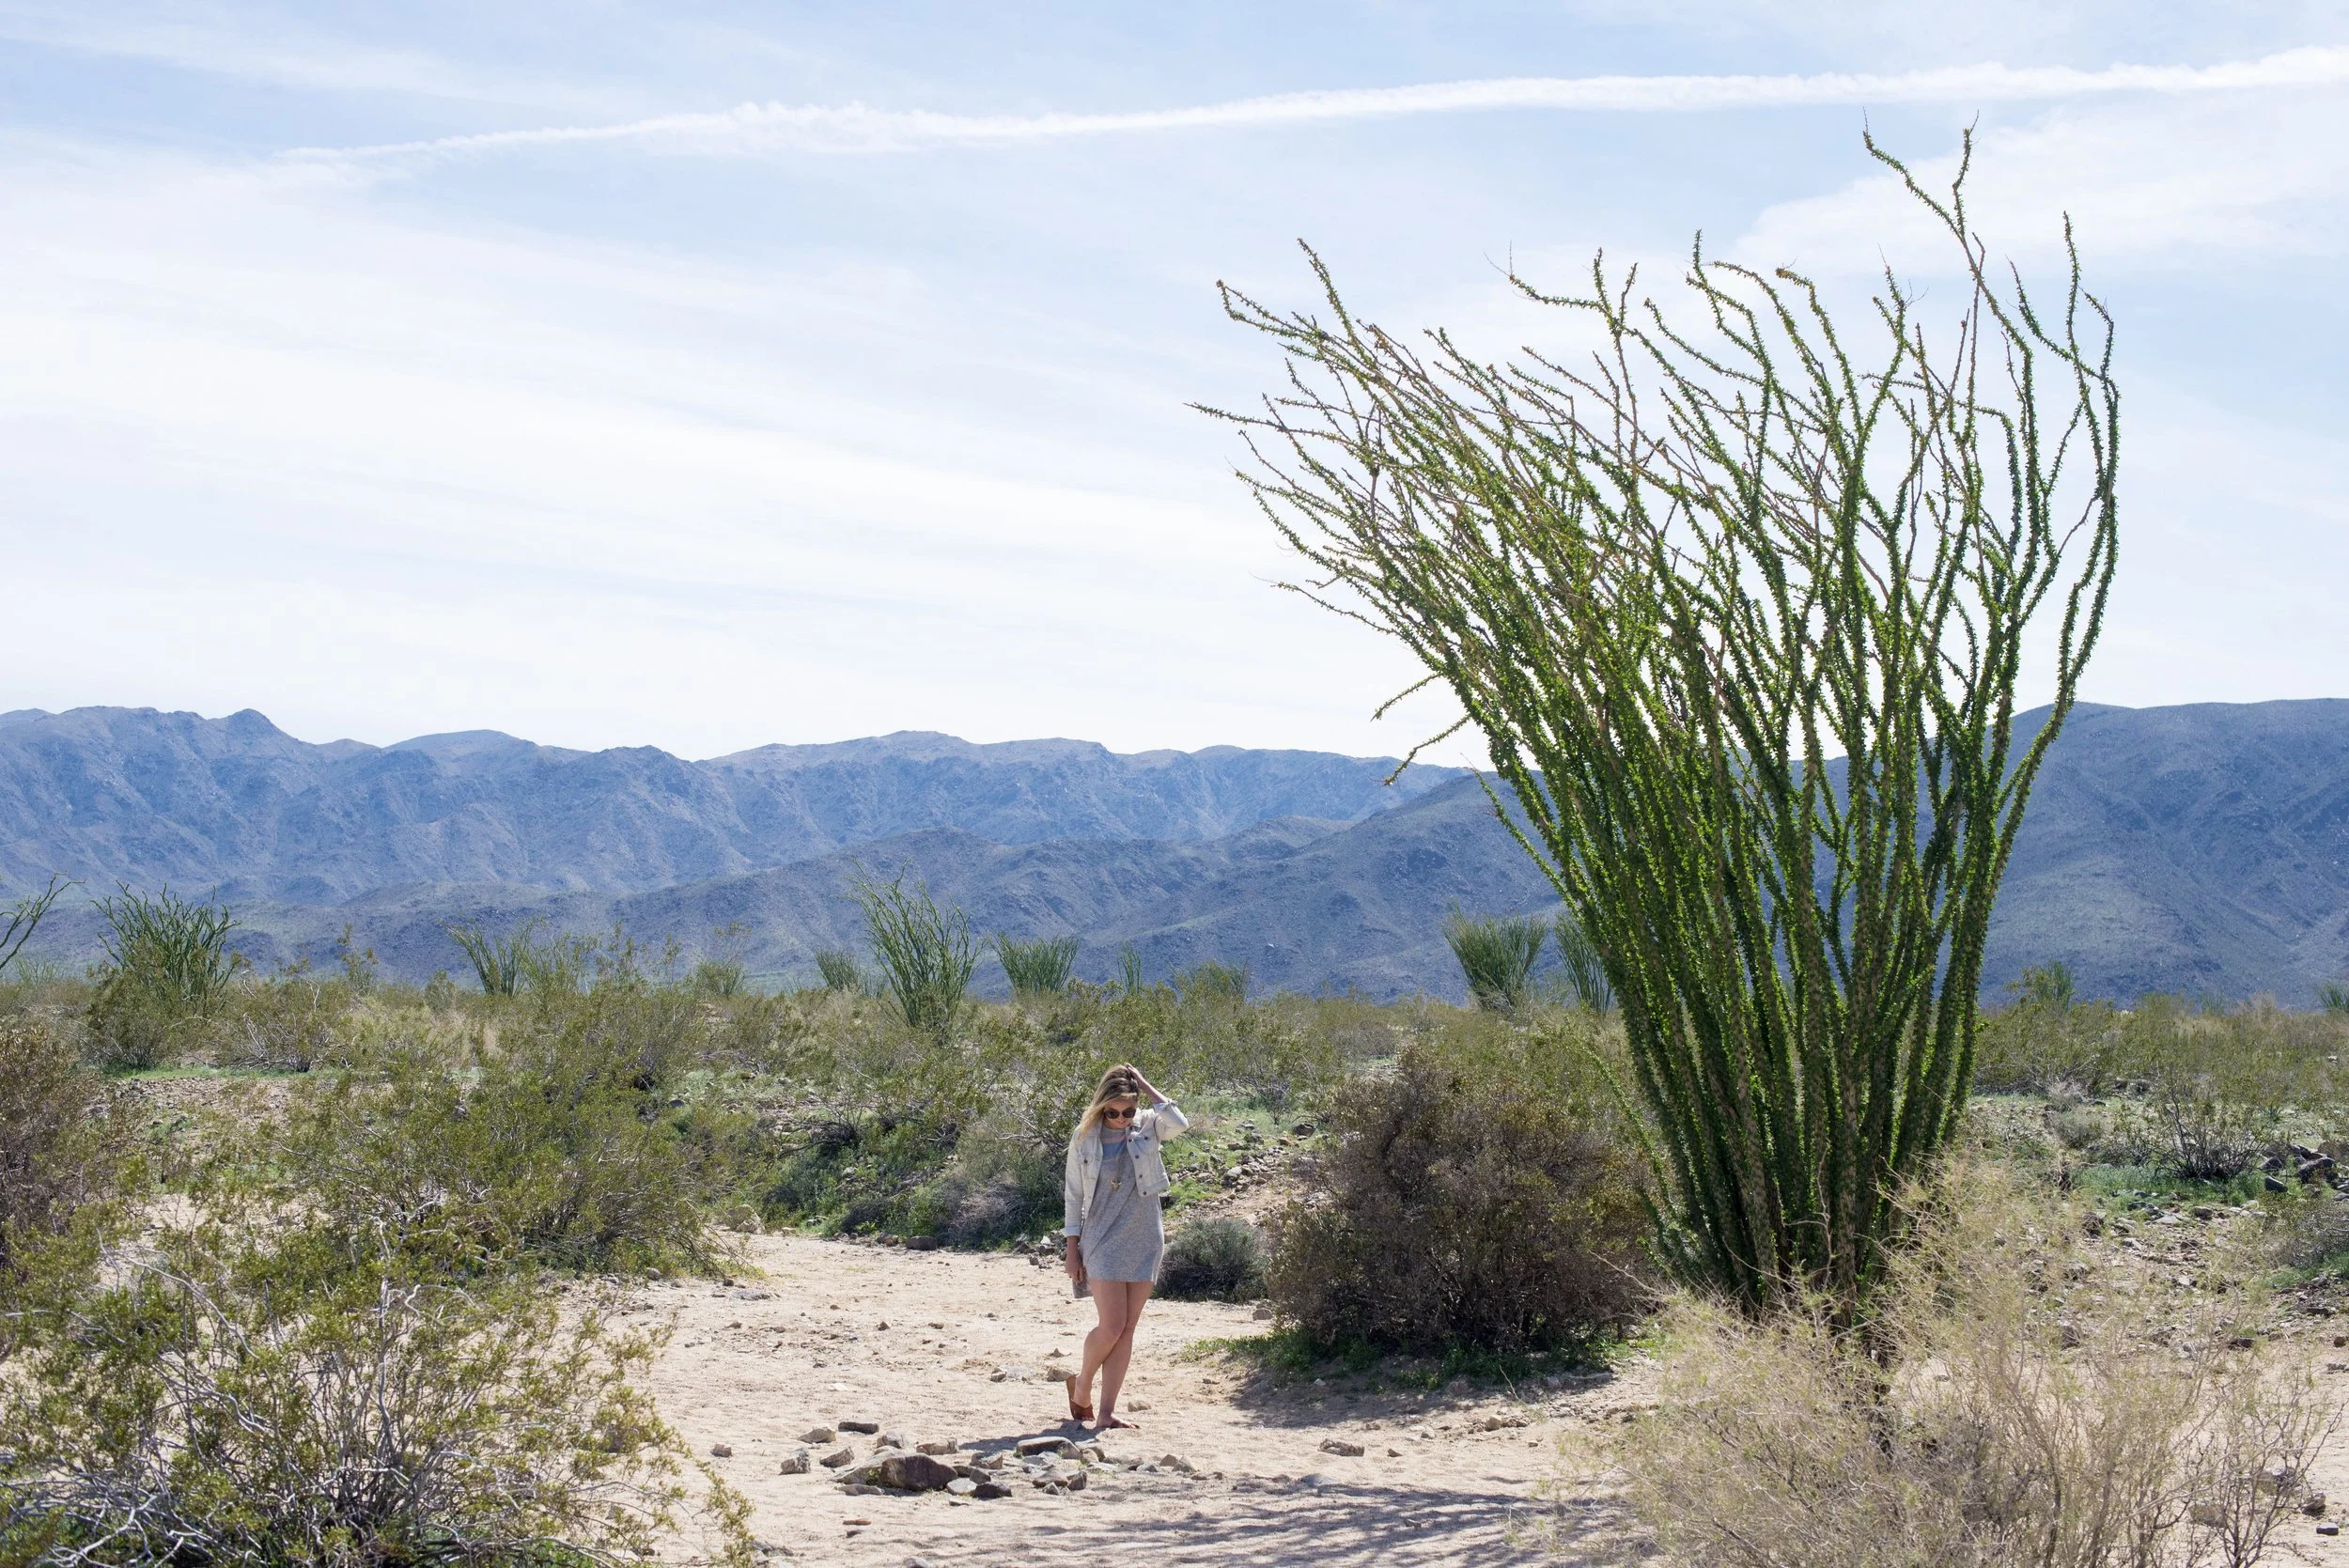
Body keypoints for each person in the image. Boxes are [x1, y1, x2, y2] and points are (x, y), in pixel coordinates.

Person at [1061, 1063, 1187, 1430]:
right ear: (1100, 1106)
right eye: (1111, 1111)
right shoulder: (1084, 1138)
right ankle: (1082, 1384)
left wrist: (1144, 1085)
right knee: (1112, 1325)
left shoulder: (1148, 1124)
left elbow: (1179, 1122)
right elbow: (1073, 1196)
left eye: (1127, 1111)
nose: (1120, 1117)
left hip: (1145, 1236)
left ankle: (1105, 1414)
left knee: (1128, 1329)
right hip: (1100, 1238)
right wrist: (1072, 1248)